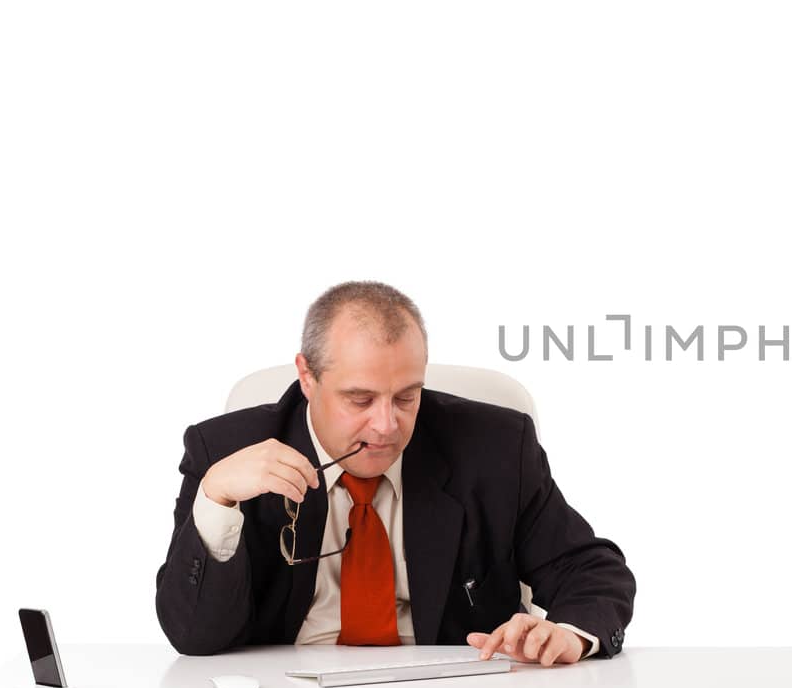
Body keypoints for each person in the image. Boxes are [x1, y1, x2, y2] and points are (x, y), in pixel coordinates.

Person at [154, 281, 635, 665]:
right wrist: (216, 499)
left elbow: (591, 571)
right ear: (306, 376)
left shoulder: (496, 448)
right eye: (359, 400)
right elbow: (194, 637)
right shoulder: (223, 452)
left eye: (407, 397)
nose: (386, 426)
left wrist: (569, 634)